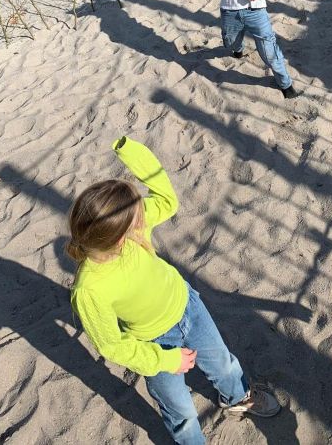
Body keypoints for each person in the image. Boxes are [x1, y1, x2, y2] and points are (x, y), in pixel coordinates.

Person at [68, 135, 280, 445]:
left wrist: (131, 151)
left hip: (188, 307)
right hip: (154, 343)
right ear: (119, 238)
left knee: (223, 363)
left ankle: (237, 398)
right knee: (180, 409)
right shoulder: (89, 288)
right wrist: (166, 361)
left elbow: (167, 199)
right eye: (136, 216)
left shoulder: (133, 230)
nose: (143, 215)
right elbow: (113, 346)